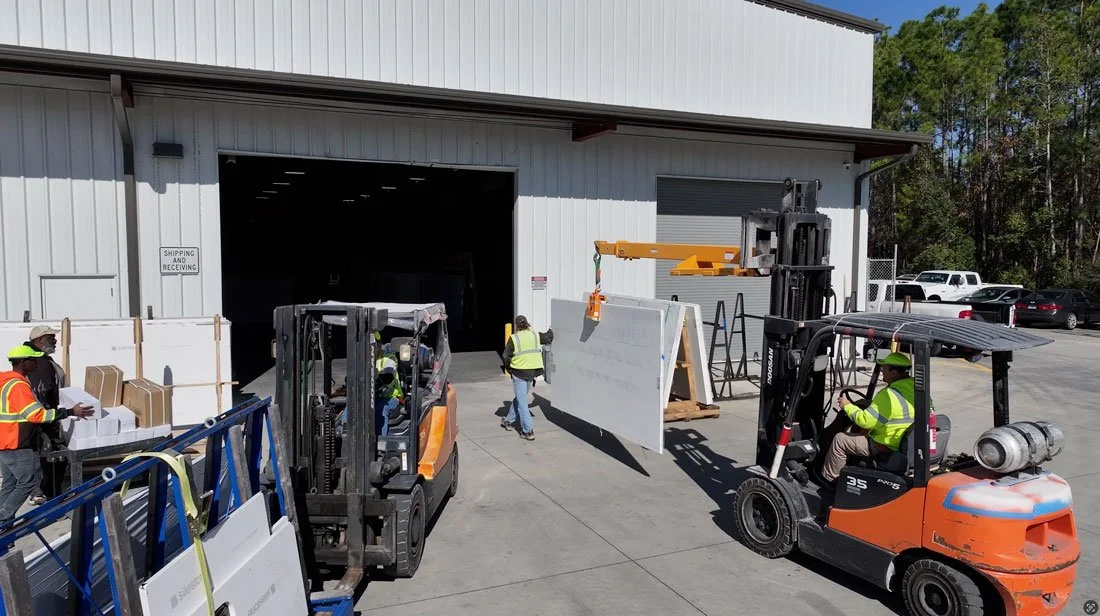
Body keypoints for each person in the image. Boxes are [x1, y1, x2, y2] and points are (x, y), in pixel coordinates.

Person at [0, 345, 92, 523]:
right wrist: (71, 411)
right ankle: (3, 521)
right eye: (33, 360)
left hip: (4, 442)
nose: (36, 363)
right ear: (24, 363)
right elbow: (37, 415)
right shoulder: (18, 386)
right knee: (27, 482)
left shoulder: (5, 382)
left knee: (10, 483)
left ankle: (3, 521)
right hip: (15, 443)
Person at [821, 352, 916, 484]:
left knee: (840, 440)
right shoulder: (916, 389)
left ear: (894, 373)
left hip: (885, 444)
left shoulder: (889, 395)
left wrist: (847, 406)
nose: (882, 370)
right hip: (900, 439)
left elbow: (865, 421)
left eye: (884, 368)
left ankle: (830, 480)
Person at [23, 325, 65, 505]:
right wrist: (53, 418)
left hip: (43, 418)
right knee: (51, 457)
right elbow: (43, 392)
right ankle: (45, 495)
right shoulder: (40, 363)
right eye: (51, 337)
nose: (55, 340)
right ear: (39, 341)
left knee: (46, 457)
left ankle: (41, 492)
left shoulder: (39, 359)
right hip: (44, 420)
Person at [500, 315, 553, 441]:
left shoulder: (514, 338)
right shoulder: (535, 335)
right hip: (531, 373)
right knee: (521, 398)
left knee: (522, 402)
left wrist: (509, 369)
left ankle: (528, 431)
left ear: (516, 325)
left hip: (519, 373)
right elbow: (549, 337)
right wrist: (552, 327)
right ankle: (508, 420)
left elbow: (505, 356)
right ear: (527, 323)